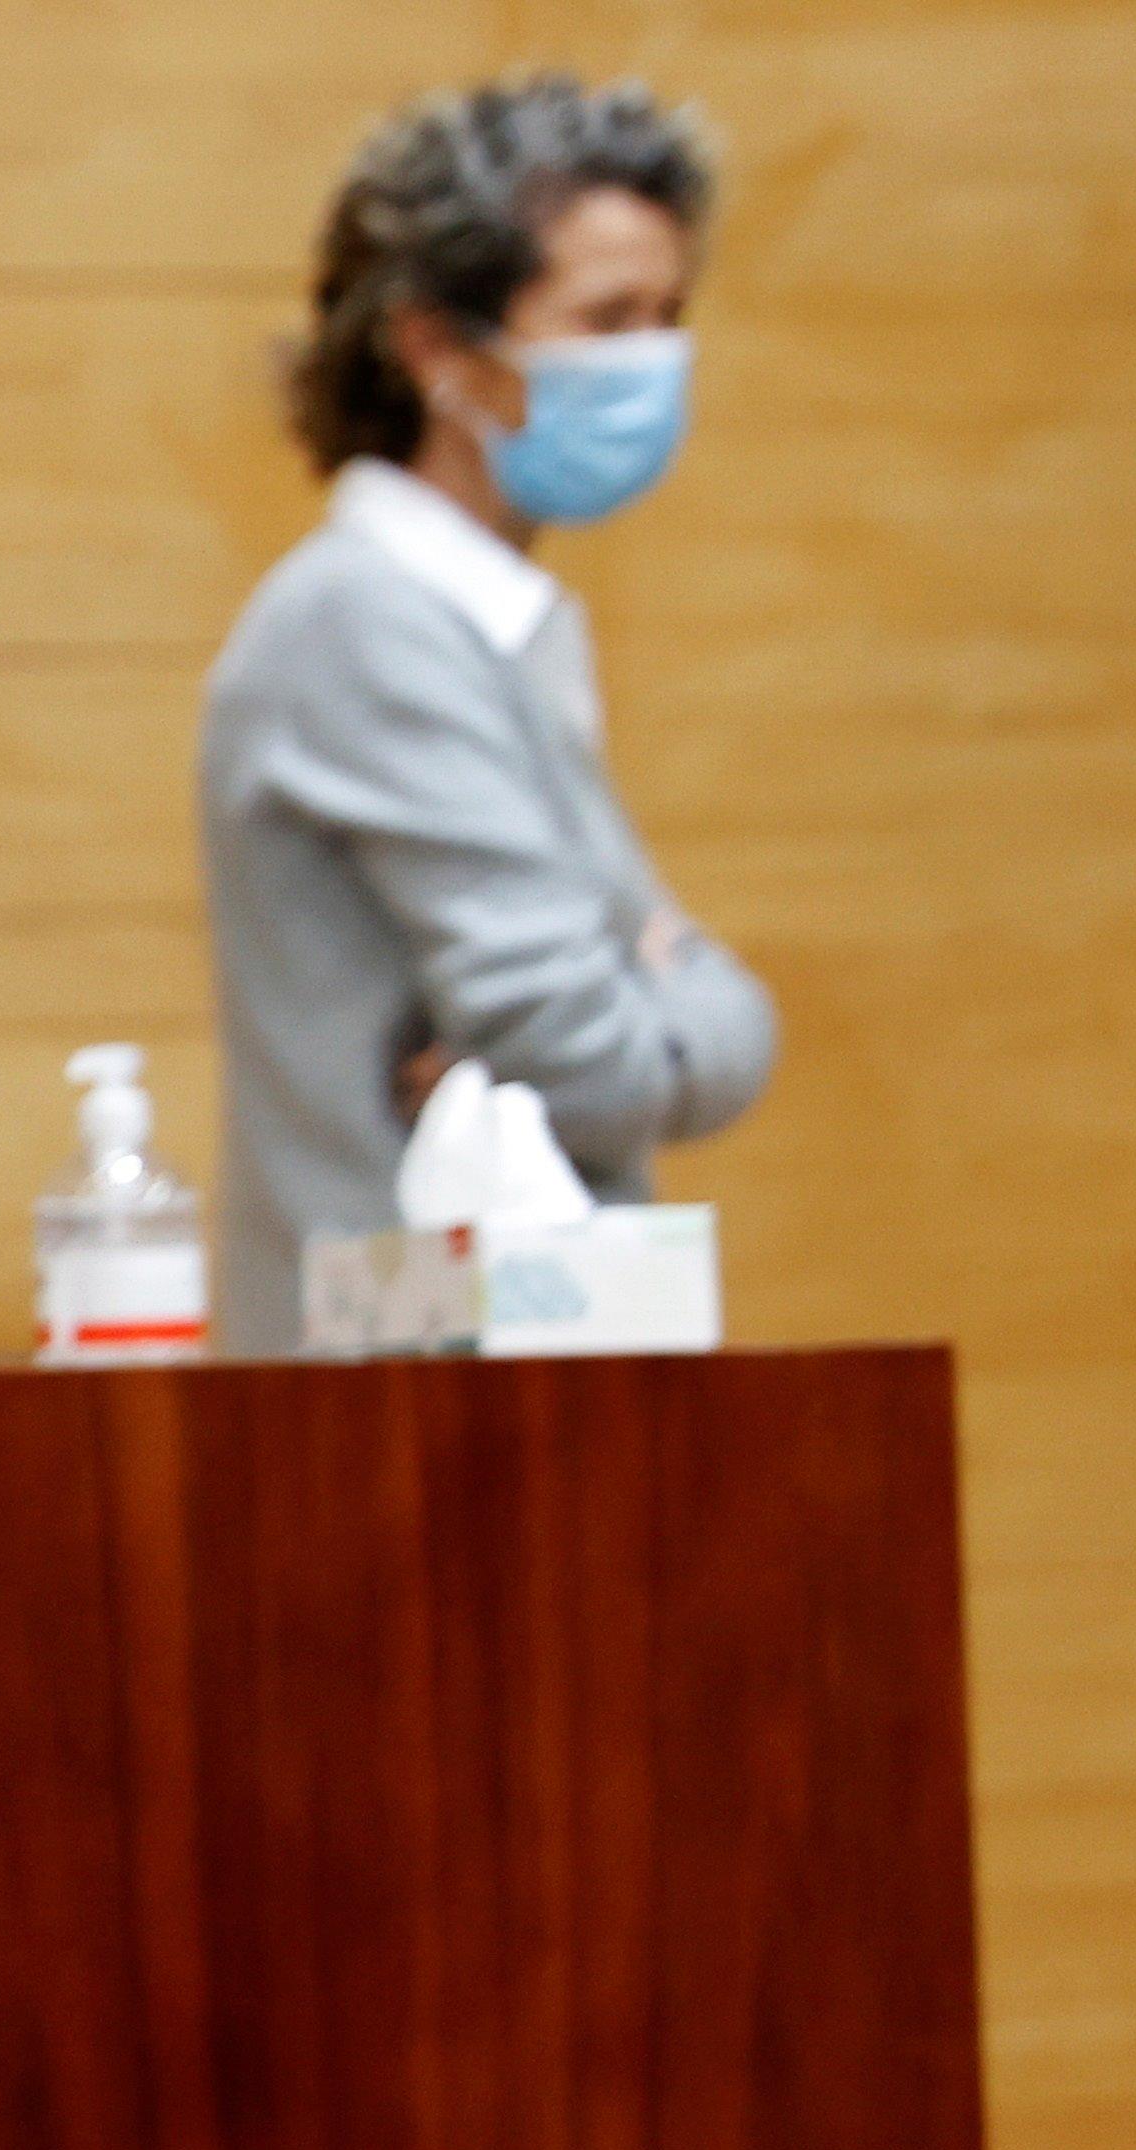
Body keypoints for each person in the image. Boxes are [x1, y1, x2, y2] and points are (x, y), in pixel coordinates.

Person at [199, 73, 777, 1353]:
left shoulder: (488, 624)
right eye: (605, 318)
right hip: (393, 1384)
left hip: (509, 1364)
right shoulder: (363, 624)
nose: (651, 361)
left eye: (670, 315)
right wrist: (680, 984)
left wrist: (665, 995)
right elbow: (587, 1055)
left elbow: (598, 1030)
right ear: (434, 344)